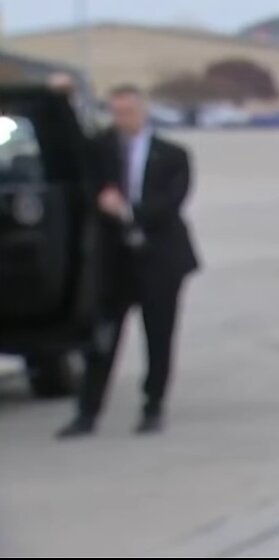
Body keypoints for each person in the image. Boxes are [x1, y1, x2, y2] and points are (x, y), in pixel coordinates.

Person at [58, 84, 200, 438]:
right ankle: (87, 412)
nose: (121, 120)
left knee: (158, 337)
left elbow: (172, 202)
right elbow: (73, 148)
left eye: (127, 112)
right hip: (115, 262)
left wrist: (127, 210)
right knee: (103, 338)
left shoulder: (173, 154)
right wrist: (64, 99)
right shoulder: (102, 148)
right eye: (115, 112)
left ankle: (153, 406)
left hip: (160, 259)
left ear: (143, 111)